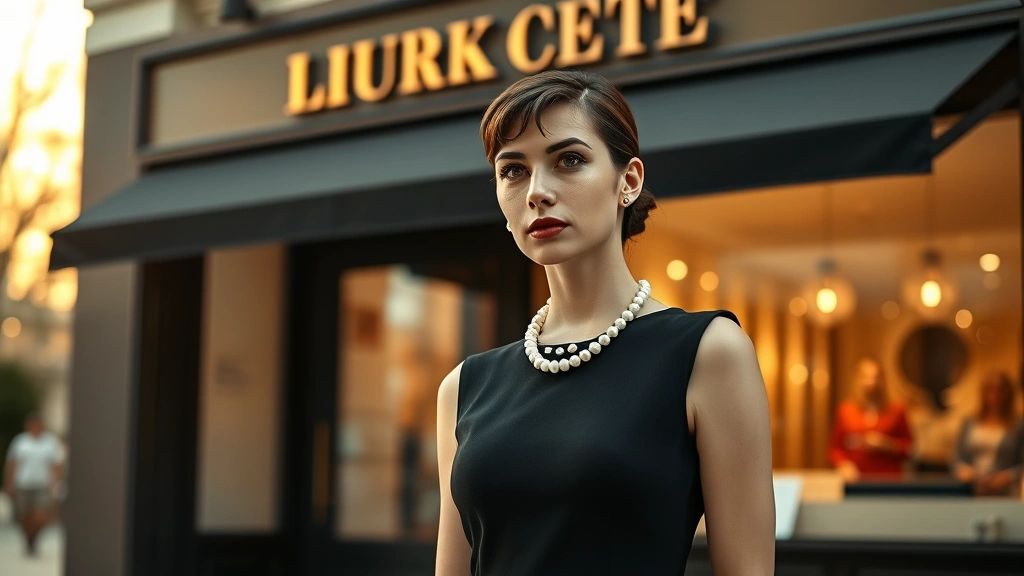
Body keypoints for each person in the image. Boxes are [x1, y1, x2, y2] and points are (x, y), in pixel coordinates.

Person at [434, 70, 775, 576]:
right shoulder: (465, 387)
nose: (537, 191)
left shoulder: (707, 352)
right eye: (513, 170)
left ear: (628, 181)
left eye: (569, 160)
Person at [828, 357, 913, 482]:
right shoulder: (846, 411)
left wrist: (886, 444)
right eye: (866, 377)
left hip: (889, 482)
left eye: (875, 377)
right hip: (856, 482)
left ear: (882, 380)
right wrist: (843, 464)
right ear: (857, 379)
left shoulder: (896, 411)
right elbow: (835, 449)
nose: (871, 382)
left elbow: (909, 449)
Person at [952, 371, 1023, 496]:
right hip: (973, 489)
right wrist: (964, 471)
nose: (995, 395)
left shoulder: (1017, 425)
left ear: (1008, 394)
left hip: (1005, 491)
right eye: (991, 390)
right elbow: (957, 457)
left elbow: (1021, 463)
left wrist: (1007, 477)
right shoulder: (970, 422)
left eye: (1000, 390)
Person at [3, 413, 64, 557]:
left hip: (42, 484)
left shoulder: (49, 442)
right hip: (23, 483)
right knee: (23, 515)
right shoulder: (20, 441)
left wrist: (55, 484)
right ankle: (28, 539)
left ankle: (34, 538)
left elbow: (55, 465)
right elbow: (13, 463)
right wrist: (8, 483)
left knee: (40, 516)